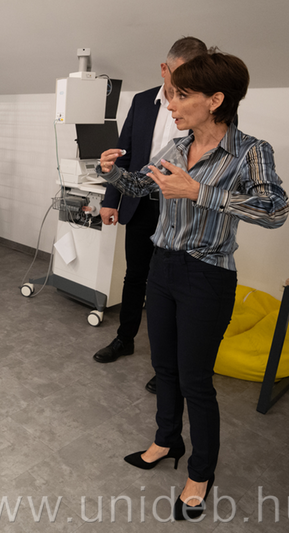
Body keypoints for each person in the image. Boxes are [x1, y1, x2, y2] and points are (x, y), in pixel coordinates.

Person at [98, 49, 288, 520]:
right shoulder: (177, 148)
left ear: (215, 100)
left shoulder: (251, 151)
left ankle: (201, 472)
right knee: (164, 367)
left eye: (182, 96)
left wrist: (201, 192)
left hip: (207, 276)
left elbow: (275, 211)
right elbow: (141, 187)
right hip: (162, 269)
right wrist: (112, 172)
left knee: (196, 381)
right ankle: (167, 440)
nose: (172, 104)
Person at [93, 37, 208, 398]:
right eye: (181, 73)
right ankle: (124, 338)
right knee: (135, 276)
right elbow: (123, 156)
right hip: (141, 203)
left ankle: (168, 366)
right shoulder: (143, 102)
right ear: (164, 69)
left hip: (182, 210)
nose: (187, 83)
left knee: (172, 286)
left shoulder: (204, 106)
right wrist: (111, 199)